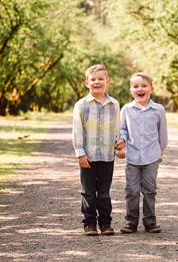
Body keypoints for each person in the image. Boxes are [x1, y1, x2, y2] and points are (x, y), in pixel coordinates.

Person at [71, 64, 123, 236]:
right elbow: (77, 131)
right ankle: (89, 224)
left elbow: (118, 128)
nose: (97, 82)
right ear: (87, 83)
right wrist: (80, 154)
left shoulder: (114, 104)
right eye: (93, 79)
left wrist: (120, 145)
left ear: (107, 82)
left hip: (107, 156)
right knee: (88, 191)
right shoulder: (82, 105)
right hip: (89, 156)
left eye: (101, 79)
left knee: (104, 192)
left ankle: (106, 224)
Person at [115, 72, 168, 234]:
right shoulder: (126, 109)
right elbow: (122, 129)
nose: (140, 89)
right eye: (136, 86)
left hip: (152, 157)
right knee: (131, 190)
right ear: (131, 90)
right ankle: (131, 221)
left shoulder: (158, 110)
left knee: (150, 189)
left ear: (151, 89)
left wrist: (160, 151)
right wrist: (121, 142)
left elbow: (162, 134)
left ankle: (150, 221)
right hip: (132, 157)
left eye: (144, 86)